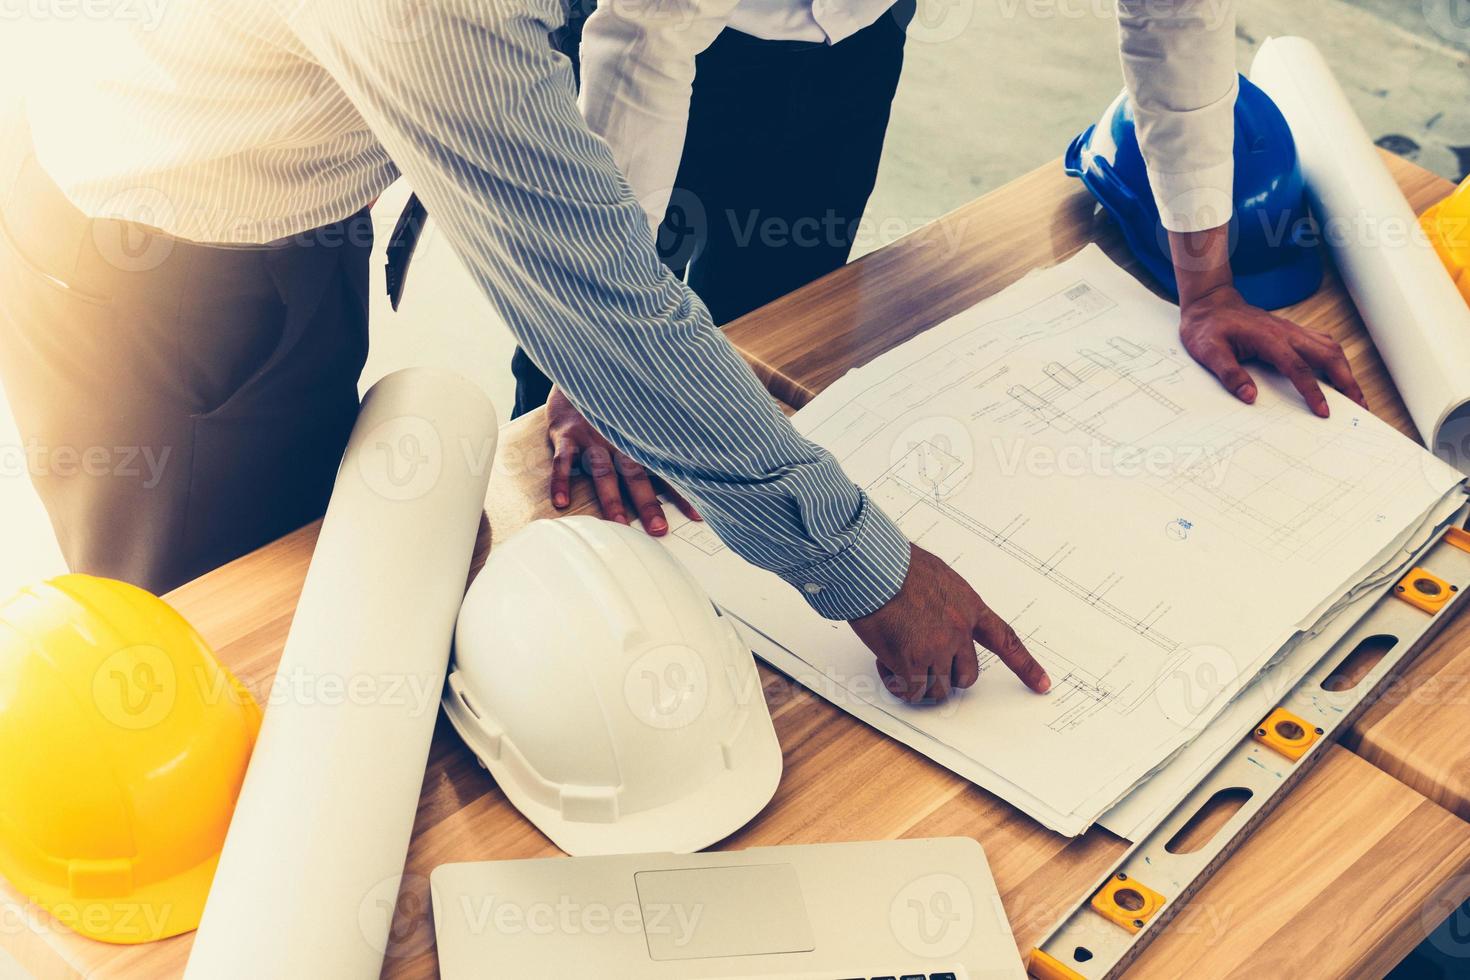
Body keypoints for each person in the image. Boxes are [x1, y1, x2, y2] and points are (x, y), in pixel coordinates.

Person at [1, 1, 1043, 705]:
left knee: (327, 587)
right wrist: (867, 570)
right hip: (153, 254)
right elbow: (595, 297)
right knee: (221, 660)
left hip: (282, 189)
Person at [529, 0, 1365, 528]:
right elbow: (643, 45)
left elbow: (1175, 15)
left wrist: (1209, 287)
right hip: (644, 35)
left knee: (776, 325)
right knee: (568, 401)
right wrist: (598, 365)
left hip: (849, 40)